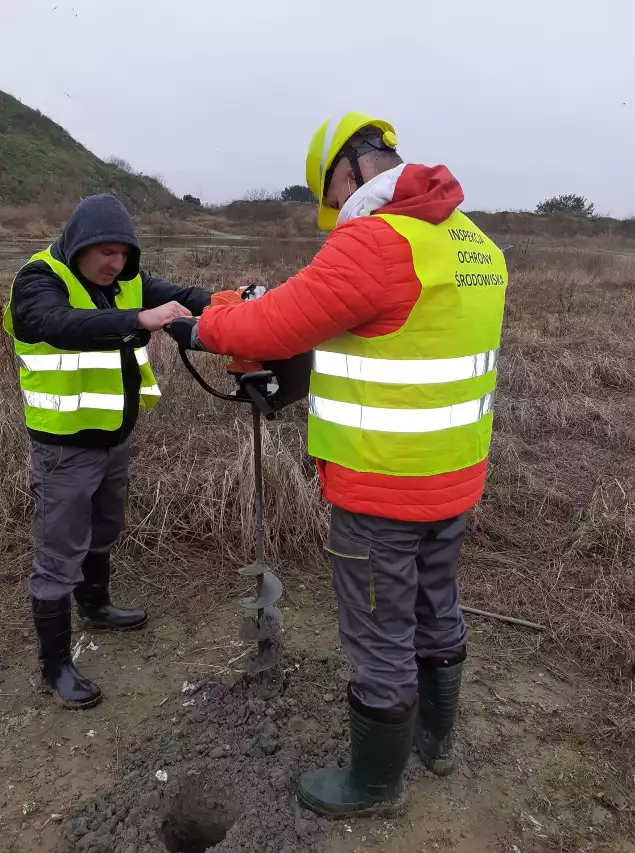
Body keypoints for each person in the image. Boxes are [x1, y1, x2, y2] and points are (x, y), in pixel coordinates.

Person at [167, 112, 508, 817]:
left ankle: (374, 786)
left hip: (380, 489)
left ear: (350, 173)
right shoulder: (475, 244)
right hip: (454, 479)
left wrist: (200, 326)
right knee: (436, 609)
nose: (335, 218)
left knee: (380, 633)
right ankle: (438, 745)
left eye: (332, 198)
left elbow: (271, 326)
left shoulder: (380, 243)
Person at [4, 193, 213, 711]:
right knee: (58, 557)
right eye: (105, 253)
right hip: (63, 449)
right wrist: (138, 320)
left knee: (105, 528)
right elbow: (56, 324)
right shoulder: (38, 280)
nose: (114, 264)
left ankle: (95, 606)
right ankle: (55, 667)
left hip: (114, 438)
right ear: (79, 243)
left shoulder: (126, 282)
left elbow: (185, 295)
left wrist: (243, 299)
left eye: (123, 254)